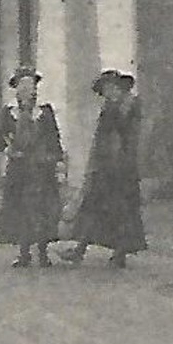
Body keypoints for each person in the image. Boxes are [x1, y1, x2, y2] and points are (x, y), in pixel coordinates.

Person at [63, 69, 146, 269]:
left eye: (111, 87)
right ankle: (80, 250)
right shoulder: (109, 107)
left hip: (123, 169)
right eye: (105, 89)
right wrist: (95, 163)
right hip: (104, 167)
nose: (108, 92)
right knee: (92, 207)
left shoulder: (131, 106)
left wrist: (127, 163)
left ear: (119, 87)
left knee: (123, 212)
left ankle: (119, 254)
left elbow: (134, 139)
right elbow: (100, 138)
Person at [0, 67, 65, 268]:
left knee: (43, 209)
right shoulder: (9, 113)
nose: (29, 90)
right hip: (19, 169)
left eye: (32, 85)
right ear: (16, 89)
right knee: (21, 209)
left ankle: (43, 253)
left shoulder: (45, 112)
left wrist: (58, 162)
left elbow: (54, 138)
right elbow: (0, 138)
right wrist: (9, 149)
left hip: (42, 168)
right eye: (24, 85)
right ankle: (24, 253)